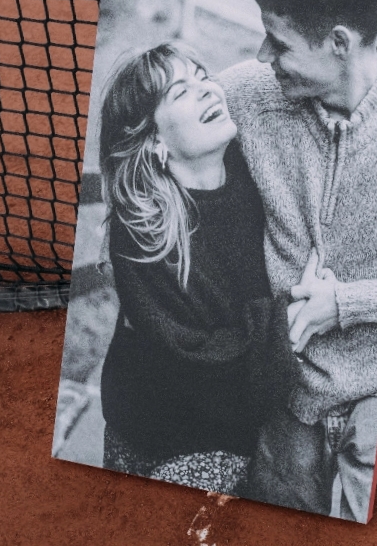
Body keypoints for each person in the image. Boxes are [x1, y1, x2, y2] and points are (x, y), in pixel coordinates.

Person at [219, 0, 377, 521]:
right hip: (283, 393)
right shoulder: (246, 95)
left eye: (278, 43)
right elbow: (154, 128)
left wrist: (349, 303)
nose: (262, 56)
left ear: (340, 43)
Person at [98, 42, 304, 495]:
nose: (208, 90)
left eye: (203, 75)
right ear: (154, 140)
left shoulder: (253, 178)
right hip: (157, 431)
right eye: (180, 92)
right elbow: (199, 361)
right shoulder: (144, 230)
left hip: (227, 428)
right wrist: (292, 320)